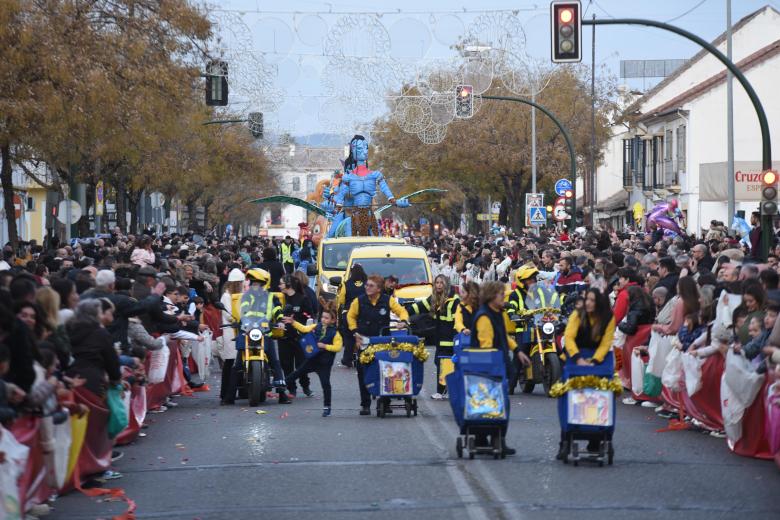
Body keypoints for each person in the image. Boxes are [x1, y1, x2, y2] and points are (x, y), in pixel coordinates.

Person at [473, 281, 531, 456]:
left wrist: (517, 350)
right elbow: (486, 346)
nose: (504, 296)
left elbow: (503, 335)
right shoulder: (484, 317)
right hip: (489, 369)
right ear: (492, 296)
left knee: (497, 404)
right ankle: (486, 439)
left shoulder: (496, 313)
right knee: (494, 404)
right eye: (500, 294)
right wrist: (494, 369)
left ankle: (496, 439)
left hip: (496, 366)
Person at [558, 288, 616, 457]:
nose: (588, 303)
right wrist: (578, 358)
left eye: (592, 300)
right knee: (569, 395)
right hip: (577, 355)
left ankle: (597, 439)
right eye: (587, 299)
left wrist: (595, 361)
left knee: (601, 394)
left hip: (600, 358)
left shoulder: (608, 318)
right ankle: (565, 440)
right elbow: (568, 337)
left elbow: (606, 342)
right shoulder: (578, 314)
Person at [347, 274, 409, 415]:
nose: (367, 287)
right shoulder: (359, 301)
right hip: (364, 340)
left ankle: (385, 403)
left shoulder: (388, 300)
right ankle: (365, 404)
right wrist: (354, 331)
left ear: (379, 289)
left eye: (371, 285)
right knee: (363, 372)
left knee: (386, 371)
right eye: (366, 285)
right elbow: (350, 316)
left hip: (382, 341)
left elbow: (402, 311)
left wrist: (403, 321)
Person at [237, 269, 289, 404]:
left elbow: (278, 310)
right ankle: (229, 396)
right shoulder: (247, 296)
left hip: (265, 332)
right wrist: (243, 322)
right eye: (253, 282)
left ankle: (282, 393)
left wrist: (280, 321)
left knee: (275, 361)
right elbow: (243, 311)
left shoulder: (272, 297)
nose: (255, 284)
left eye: (258, 282)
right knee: (236, 364)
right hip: (248, 332)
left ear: (265, 283)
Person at [284, 303, 342, 417]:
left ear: (333, 320)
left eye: (326, 318)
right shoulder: (316, 326)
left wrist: (325, 346)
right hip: (313, 359)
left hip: (324, 363)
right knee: (298, 372)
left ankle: (327, 406)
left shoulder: (336, 333)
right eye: (322, 317)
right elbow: (305, 329)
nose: (323, 320)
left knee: (325, 384)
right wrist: (293, 322)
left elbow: (338, 347)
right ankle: (282, 383)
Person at [408, 274, 459, 399]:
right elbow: (419, 306)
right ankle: (446, 391)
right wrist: (403, 311)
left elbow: (457, 321)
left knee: (444, 363)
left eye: (441, 283)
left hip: (450, 339)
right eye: (437, 283)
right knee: (442, 363)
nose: (439, 285)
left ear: (446, 284)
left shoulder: (454, 300)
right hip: (441, 338)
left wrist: (455, 338)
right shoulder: (436, 298)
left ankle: (441, 391)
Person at [65, 299, 122, 398]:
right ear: (94, 315)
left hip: (69, 379)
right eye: (100, 313)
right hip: (93, 380)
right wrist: (115, 380)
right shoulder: (100, 333)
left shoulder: (68, 330)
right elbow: (111, 361)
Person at [278, 274, 313, 398]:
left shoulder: (302, 298)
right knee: (286, 365)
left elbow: (309, 316)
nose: (279, 286)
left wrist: (297, 319)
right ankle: (291, 388)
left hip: (299, 337)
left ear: (288, 284)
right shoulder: (280, 299)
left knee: (301, 364)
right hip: (283, 337)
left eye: (281, 283)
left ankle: (306, 386)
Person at [218, 268, 243, 405]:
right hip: (231, 331)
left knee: (237, 363)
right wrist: (238, 319)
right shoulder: (227, 296)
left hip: (239, 330)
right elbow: (228, 313)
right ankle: (226, 393)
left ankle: (238, 390)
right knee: (230, 363)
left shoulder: (238, 294)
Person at [336, 264, 367, 368]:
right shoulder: (367, 284)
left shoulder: (346, 284)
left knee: (349, 338)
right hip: (362, 314)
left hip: (348, 314)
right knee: (364, 336)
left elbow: (341, 300)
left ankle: (347, 359)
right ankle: (365, 357)